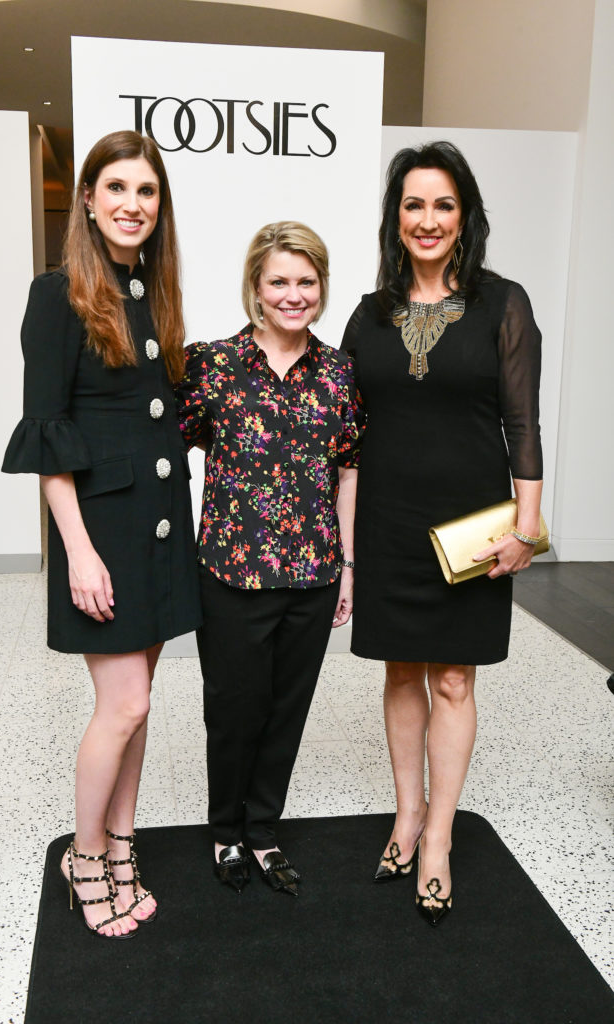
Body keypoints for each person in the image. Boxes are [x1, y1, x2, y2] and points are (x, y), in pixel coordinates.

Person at [2, 130, 201, 938]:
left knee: (140, 703)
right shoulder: (58, 294)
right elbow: (48, 435)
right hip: (103, 532)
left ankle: (122, 845)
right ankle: (84, 856)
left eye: (146, 192)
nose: (131, 205)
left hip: (157, 527)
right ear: (87, 199)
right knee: (121, 705)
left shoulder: (150, 290)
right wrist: (77, 552)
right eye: (116, 188)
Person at [341, 141, 543, 926]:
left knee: (454, 679)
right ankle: (404, 814)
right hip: (390, 520)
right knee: (399, 674)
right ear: (395, 217)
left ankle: (439, 839)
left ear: (465, 217)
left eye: (443, 204)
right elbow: (345, 433)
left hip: (470, 525)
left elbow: (521, 420)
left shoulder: (503, 302)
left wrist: (527, 524)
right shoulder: (369, 312)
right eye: (413, 204)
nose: (427, 220)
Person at [177, 222, 364, 896]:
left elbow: (347, 469)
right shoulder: (211, 364)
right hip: (230, 571)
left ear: (320, 288)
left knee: (287, 708)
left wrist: (346, 566)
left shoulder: (340, 372)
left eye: (305, 282)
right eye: (279, 281)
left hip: (313, 574)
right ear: (255, 288)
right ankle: (225, 830)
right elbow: (171, 449)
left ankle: (262, 831)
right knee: (233, 709)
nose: (293, 295)